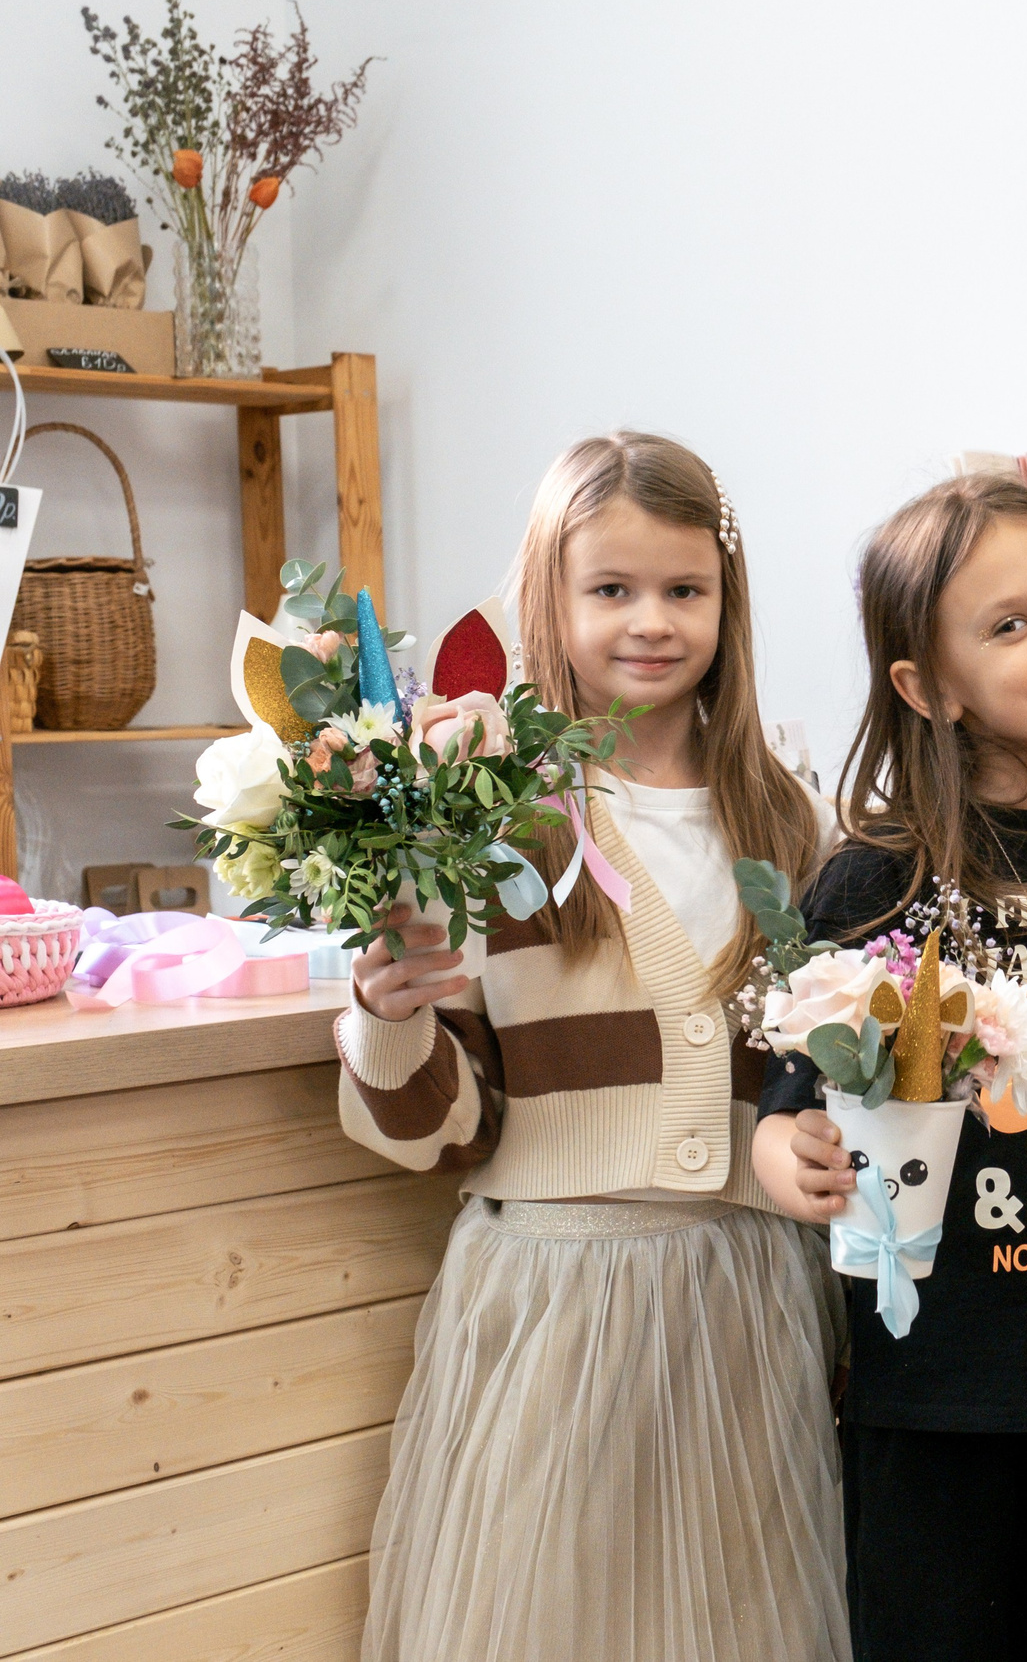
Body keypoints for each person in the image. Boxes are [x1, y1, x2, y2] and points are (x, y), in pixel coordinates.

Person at [336, 431, 847, 1662]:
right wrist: (387, 1009)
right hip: (555, 1300)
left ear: (728, 602)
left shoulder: (788, 818)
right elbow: (436, 1129)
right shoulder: (481, 814)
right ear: (549, 601)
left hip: (750, 1297)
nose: (650, 622)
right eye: (610, 590)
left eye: (685, 590)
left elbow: (811, 1066)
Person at [753, 474, 1027, 1662]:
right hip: (935, 1411)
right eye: (1009, 625)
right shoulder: (874, 882)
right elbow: (790, 1107)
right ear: (925, 686)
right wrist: (781, 1152)